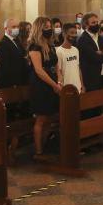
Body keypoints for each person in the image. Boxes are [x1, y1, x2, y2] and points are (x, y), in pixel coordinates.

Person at [27, 17, 60, 158]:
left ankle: (45, 145)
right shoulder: (35, 47)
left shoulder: (50, 45)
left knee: (50, 118)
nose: (49, 29)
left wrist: (58, 81)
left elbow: (56, 65)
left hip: (52, 83)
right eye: (46, 27)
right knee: (41, 118)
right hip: (41, 86)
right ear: (39, 29)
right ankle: (38, 151)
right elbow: (39, 70)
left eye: (49, 26)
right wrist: (54, 85)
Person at [76, 12, 103, 117]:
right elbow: (94, 57)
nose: (96, 24)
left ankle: (98, 130)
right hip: (90, 77)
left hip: (101, 75)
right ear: (86, 25)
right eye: (93, 22)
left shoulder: (100, 38)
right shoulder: (83, 39)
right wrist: (101, 54)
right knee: (90, 107)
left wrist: (101, 53)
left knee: (99, 105)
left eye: (97, 22)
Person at [56, 23, 84, 93]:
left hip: (78, 87)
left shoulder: (75, 50)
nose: (74, 35)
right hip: (66, 87)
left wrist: (82, 85)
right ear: (64, 34)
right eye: (71, 33)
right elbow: (58, 71)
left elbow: (78, 68)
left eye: (75, 33)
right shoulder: (59, 51)